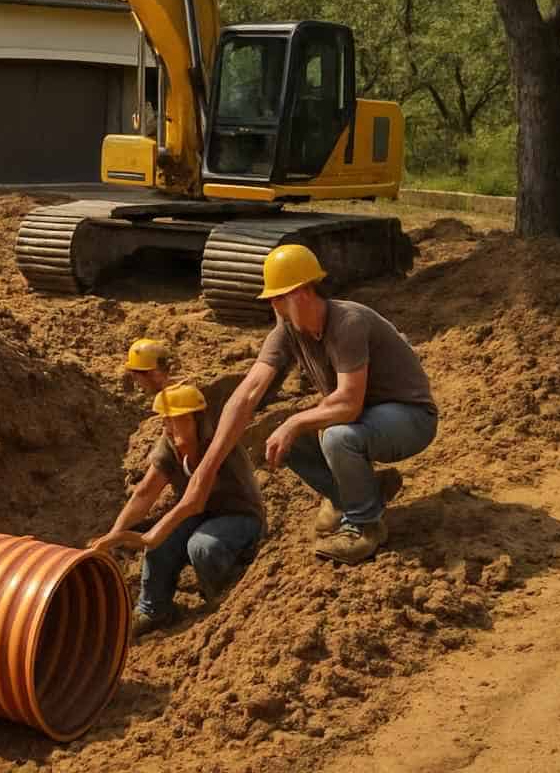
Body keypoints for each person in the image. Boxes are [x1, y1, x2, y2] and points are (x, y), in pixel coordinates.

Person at [171, 244, 438, 566]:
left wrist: (294, 422)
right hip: (366, 418)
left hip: (409, 418)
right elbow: (246, 394)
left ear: (302, 292)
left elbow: (349, 404)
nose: (272, 305)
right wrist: (206, 471)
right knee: (286, 438)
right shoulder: (287, 331)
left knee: (336, 435)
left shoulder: (347, 322)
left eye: (277, 297)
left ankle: (364, 526)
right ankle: (355, 496)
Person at [90, 382, 267, 637]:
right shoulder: (170, 445)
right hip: (199, 514)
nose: (168, 429)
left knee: (202, 547)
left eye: (176, 420)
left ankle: (224, 596)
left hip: (241, 515)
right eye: (165, 421)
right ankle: (154, 609)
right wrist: (113, 537)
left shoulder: (216, 442)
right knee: (161, 545)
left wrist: (153, 533)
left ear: (197, 419)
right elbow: (145, 493)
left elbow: (194, 499)